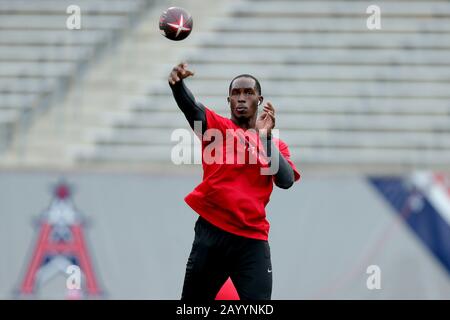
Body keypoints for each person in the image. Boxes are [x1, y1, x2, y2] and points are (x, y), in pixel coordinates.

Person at [169, 62, 301, 300]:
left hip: (251, 240)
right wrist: (178, 86)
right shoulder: (217, 130)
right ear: (228, 100)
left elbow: (286, 180)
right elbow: (193, 109)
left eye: (248, 93)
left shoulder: (274, 145)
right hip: (212, 234)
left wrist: (266, 138)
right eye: (236, 93)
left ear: (259, 100)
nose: (241, 98)